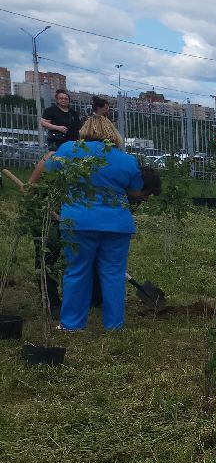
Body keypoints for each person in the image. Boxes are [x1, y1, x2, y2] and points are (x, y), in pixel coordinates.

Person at [40, 115, 151, 331]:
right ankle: (114, 325)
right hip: (117, 224)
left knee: (77, 271)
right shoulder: (126, 160)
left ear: (85, 130)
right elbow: (135, 190)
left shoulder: (68, 150)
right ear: (112, 133)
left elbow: (50, 174)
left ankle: (71, 324)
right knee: (113, 273)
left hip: (78, 221)